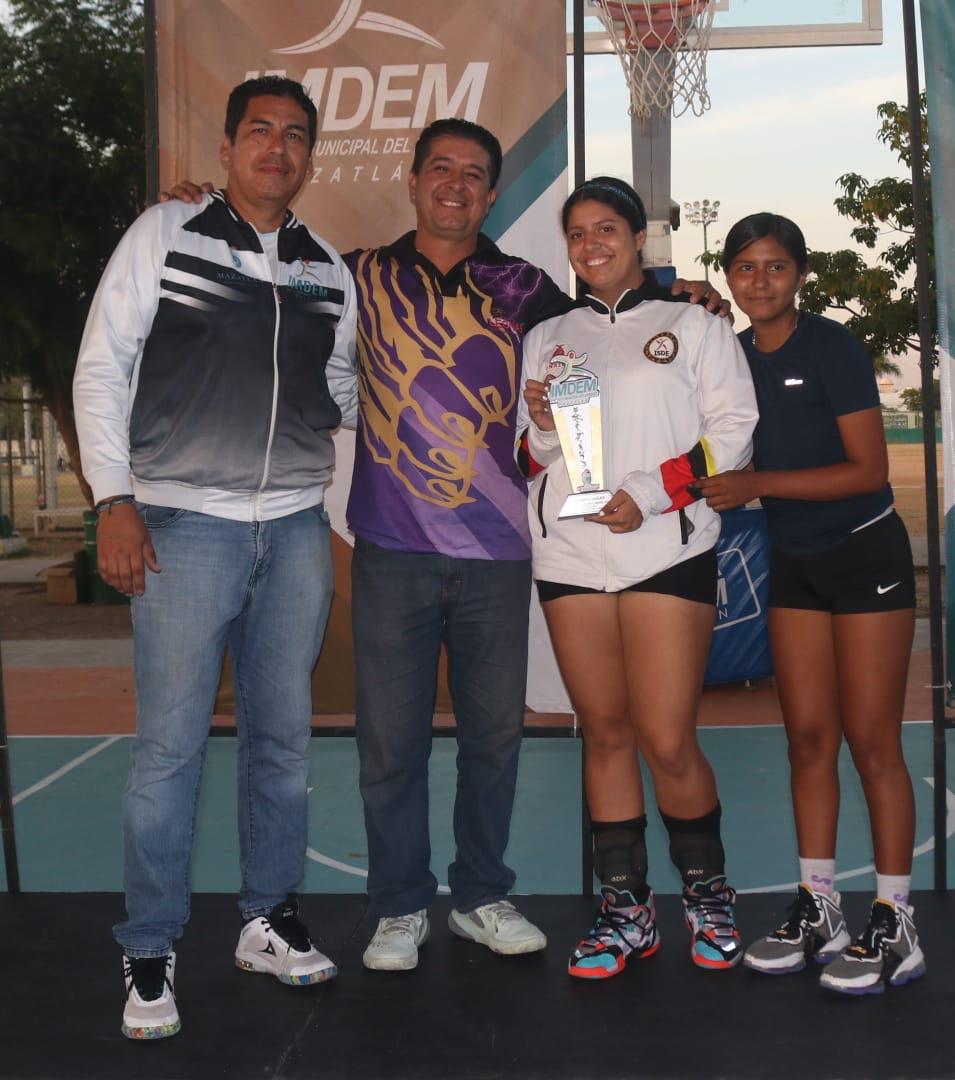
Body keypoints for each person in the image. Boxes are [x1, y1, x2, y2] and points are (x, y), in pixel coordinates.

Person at [164, 120, 728, 974]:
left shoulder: (526, 288)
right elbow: (268, 282)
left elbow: (607, 322)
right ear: (415, 180)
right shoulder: (357, 274)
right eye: (441, 170)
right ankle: (398, 907)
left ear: (492, 192)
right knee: (390, 741)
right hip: (390, 546)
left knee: (492, 738)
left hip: (501, 553)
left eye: (474, 173)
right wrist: (198, 210)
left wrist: (682, 289)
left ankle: (479, 895)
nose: (456, 185)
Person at [73, 76, 358, 1039]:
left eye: (295, 136)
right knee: (169, 752)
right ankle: (149, 949)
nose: (278, 149)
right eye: (260, 132)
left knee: (281, 744)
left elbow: (343, 389)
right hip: (181, 523)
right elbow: (102, 367)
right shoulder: (167, 234)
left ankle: (265, 920)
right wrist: (114, 499)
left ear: (310, 155)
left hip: (294, 528)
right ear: (231, 146)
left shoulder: (328, 269)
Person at [520, 177, 758, 980]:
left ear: (636, 238)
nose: (591, 244)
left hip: (664, 548)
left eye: (606, 229)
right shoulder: (548, 333)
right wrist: (546, 427)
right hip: (569, 557)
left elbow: (733, 435)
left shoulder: (693, 323)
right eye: (578, 233)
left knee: (665, 737)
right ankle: (625, 912)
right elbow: (532, 457)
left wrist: (651, 496)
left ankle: (707, 894)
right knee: (607, 733)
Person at [697, 213, 925, 995]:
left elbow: (867, 471)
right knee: (805, 740)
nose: (758, 281)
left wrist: (757, 485)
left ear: (798, 275)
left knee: (871, 742)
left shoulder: (830, 347)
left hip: (864, 557)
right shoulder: (722, 356)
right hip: (791, 563)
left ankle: (895, 919)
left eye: (774, 267)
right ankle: (819, 901)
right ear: (727, 275)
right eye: (744, 268)